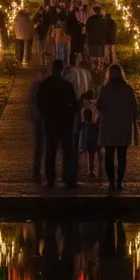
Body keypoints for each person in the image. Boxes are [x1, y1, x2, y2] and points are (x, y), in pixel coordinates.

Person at [96, 64, 138, 192]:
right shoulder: (128, 89)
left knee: (109, 155)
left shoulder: (105, 88)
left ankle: (111, 182)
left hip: (108, 125)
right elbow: (134, 107)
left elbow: (99, 105)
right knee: (122, 156)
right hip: (123, 125)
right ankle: (119, 182)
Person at [37, 58, 78, 187]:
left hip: (50, 122)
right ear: (61, 70)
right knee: (67, 151)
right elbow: (74, 104)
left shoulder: (45, 85)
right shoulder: (66, 85)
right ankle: (68, 178)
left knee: (51, 150)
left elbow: (40, 103)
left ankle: (50, 178)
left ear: (52, 69)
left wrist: (45, 114)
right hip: (65, 122)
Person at [28, 69, 47, 181]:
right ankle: (38, 169)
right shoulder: (40, 87)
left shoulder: (36, 86)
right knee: (42, 145)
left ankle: (38, 169)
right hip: (42, 119)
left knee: (40, 145)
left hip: (40, 118)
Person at [79, 106, 102, 179]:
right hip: (94, 142)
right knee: (96, 155)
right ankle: (99, 169)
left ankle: (92, 170)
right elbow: (97, 127)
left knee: (91, 157)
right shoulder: (92, 124)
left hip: (89, 143)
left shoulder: (84, 124)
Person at [85, 5, 107, 70]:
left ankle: (93, 69)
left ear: (93, 11)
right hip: (100, 41)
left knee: (93, 56)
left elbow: (87, 30)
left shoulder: (90, 19)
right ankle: (99, 69)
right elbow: (105, 30)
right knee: (99, 56)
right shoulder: (103, 20)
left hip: (92, 41)